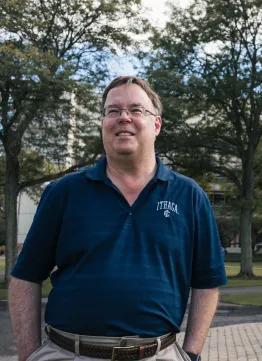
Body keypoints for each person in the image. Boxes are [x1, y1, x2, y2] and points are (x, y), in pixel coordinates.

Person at [8, 76, 228, 361]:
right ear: (103, 124)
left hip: (158, 354)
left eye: (136, 110)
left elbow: (207, 282)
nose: (124, 117)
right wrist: (29, 354)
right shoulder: (63, 193)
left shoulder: (190, 196)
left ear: (156, 124)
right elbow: (25, 278)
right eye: (113, 111)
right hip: (67, 353)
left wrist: (192, 354)